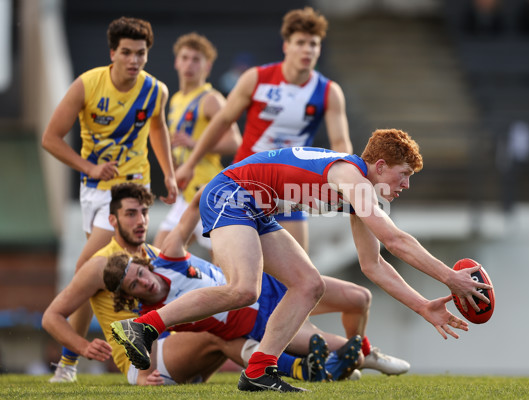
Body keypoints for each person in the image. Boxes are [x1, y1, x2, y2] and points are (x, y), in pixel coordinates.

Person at [111, 129, 493, 392]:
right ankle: (142, 328)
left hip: (254, 205)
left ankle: (260, 369)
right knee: (244, 289)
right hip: (231, 193)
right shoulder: (353, 177)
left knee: (310, 285)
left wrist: (424, 306)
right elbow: (394, 239)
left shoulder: (358, 190)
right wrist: (450, 279)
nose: (406, 185)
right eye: (403, 174)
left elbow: (373, 265)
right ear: (379, 166)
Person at [107, 188, 409, 382]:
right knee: (347, 353)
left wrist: (218, 186)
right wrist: (144, 376)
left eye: (140, 274)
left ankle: (366, 353)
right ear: (129, 296)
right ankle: (354, 361)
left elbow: (193, 207)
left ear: (144, 265)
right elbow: (141, 344)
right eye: (135, 285)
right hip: (264, 324)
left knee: (360, 297)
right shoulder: (154, 312)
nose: (144, 282)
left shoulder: (169, 258)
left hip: (270, 285)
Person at [41, 17, 178, 381]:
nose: (135, 60)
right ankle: (135, 351)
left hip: (130, 192)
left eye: (141, 53)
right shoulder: (87, 84)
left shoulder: (155, 90)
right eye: (127, 53)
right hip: (93, 192)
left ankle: (74, 360)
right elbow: (51, 138)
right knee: (96, 278)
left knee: (87, 270)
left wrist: (168, 173)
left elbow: (158, 128)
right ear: (112, 54)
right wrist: (89, 166)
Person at [175, 7, 353, 252]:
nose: (307, 50)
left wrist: (346, 182)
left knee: (302, 278)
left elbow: (341, 145)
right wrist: (190, 164)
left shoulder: (329, 92)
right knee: (232, 275)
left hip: (291, 189)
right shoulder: (256, 78)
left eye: (313, 44)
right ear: (286, 46)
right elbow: (222, 121)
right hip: (244, 182)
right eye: (300, 43)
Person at [41, 183, 245, 385]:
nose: (140, 221)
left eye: (144, 213)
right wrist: (82, 348)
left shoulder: (155, 254)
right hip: (143, 365)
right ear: (112, 220)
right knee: (220, 332)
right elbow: (52, 316)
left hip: (175, 349)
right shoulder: (100, 264)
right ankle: (265, 369)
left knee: (229, 323)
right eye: (130, 214)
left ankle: (265, 363)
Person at [153, 33, 241, 251]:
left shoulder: (211, 99)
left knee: (226, 266)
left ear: (207, 66)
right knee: (159, 257)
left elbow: (235, 142)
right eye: (184, 58)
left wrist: (195, 144)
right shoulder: (175, 100)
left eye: (196, 59)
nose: (189, 64)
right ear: (176, 62)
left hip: (207, 189)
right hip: (186, 193)